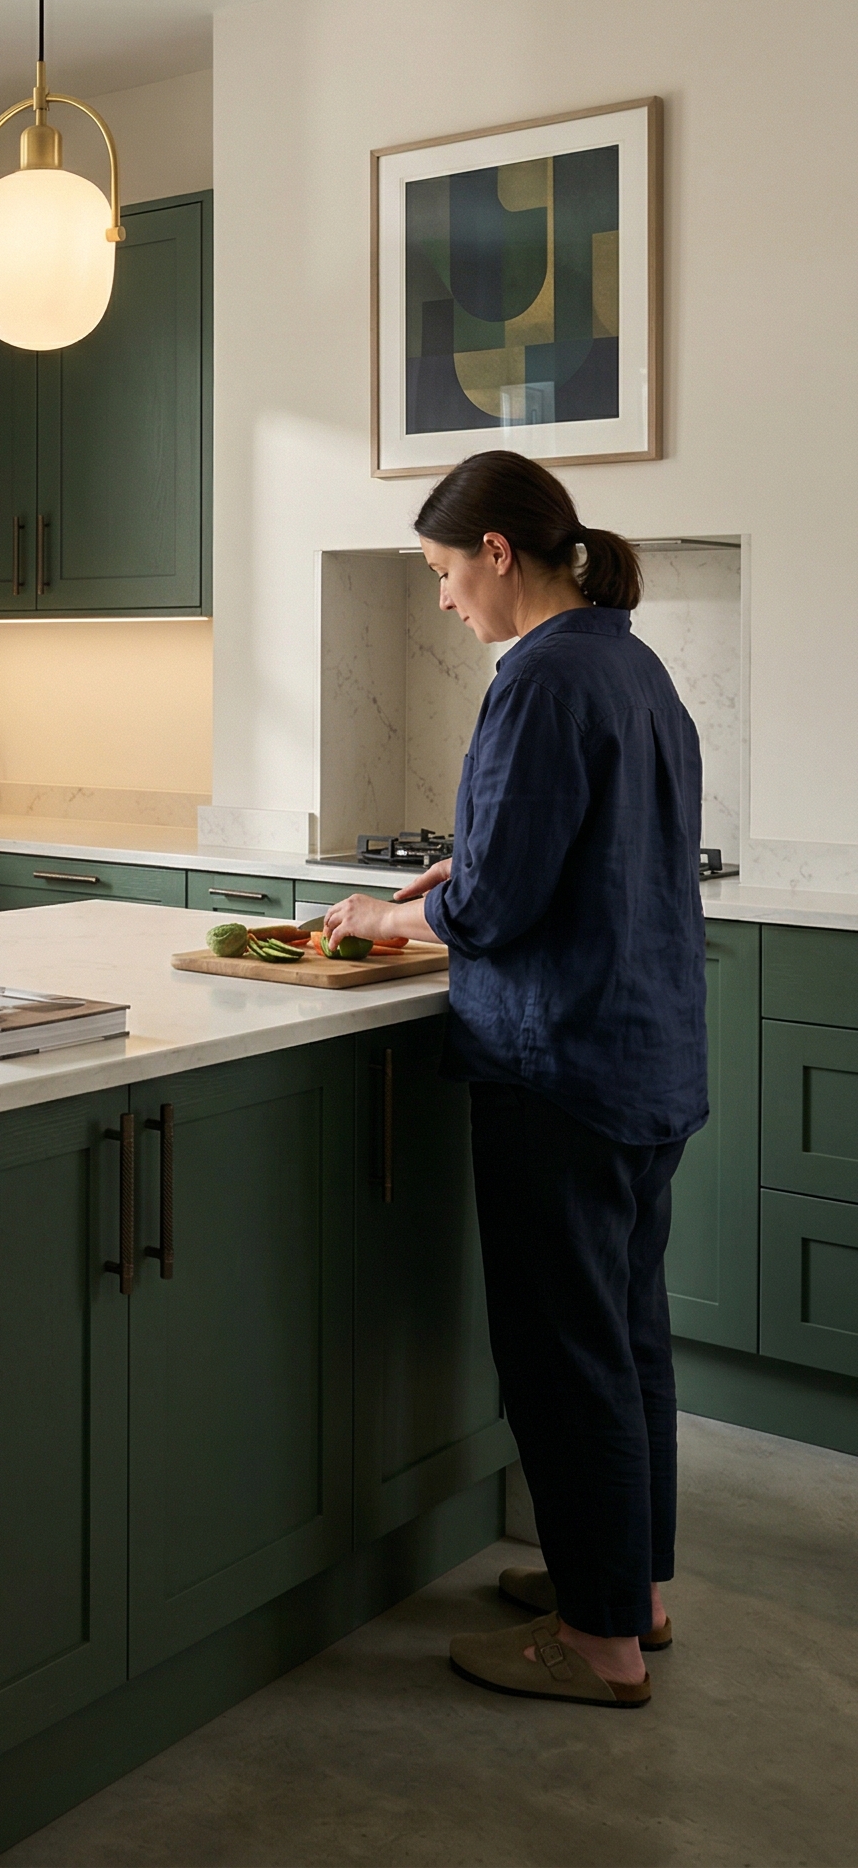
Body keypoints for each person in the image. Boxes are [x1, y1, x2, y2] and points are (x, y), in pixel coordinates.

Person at [323, 448, 706, 1710]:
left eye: (442, 571)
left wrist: (392, 920)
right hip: (642, 1056)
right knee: (625, 1338)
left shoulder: (538, 678)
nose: (441, 600)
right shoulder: (629, 660)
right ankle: (627, 1593)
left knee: (562, 1356)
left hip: (560, 1065)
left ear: (496, 553)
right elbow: (579, 861)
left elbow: (501, 898)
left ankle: (591, 1642)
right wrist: (462, 880)